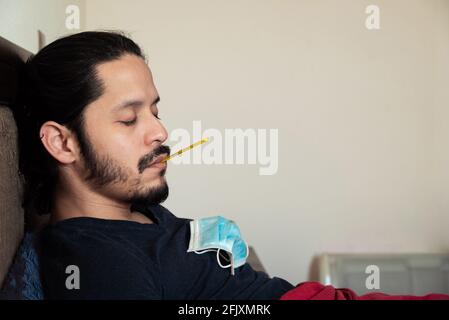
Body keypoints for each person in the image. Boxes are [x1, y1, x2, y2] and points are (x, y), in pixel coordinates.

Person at [12, 31, 449, 300]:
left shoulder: (126, 206)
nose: (160, 133)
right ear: (62, 142)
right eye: (129, 118)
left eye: (155, 111)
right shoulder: (99, 264)